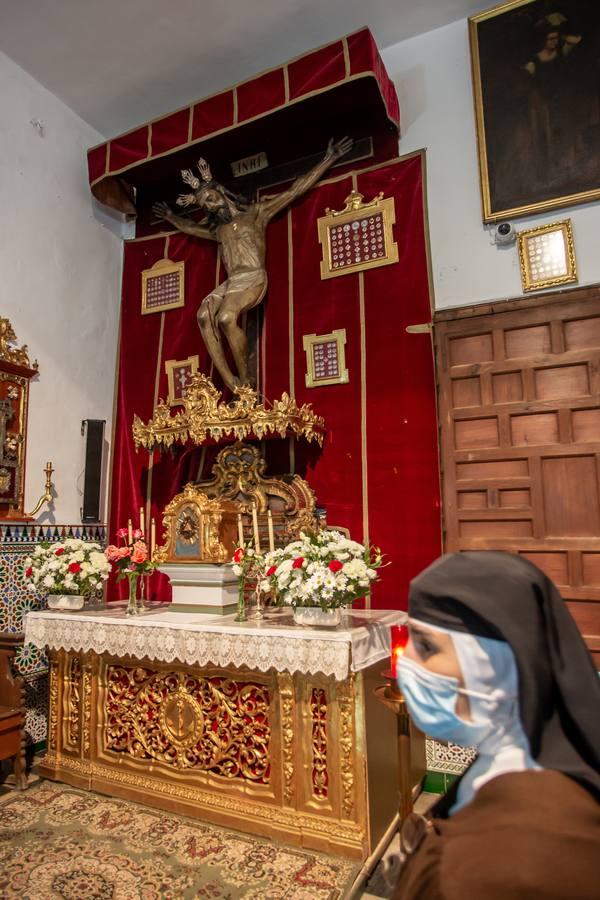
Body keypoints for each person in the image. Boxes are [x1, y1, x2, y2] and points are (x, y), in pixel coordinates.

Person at [393, 551, 600, 900]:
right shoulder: (516, 757)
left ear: (497, 669)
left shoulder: (486, 871)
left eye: (426, 645)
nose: (405, 663)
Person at [152, 137, 352, 391]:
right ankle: (230, 381)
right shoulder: (218, 230)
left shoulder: (256, 214)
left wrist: (329, 158)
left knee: (225, 317)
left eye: (211, 198)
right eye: (205, 206)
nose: (210, 207)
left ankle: (246, 381)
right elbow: (190, 227)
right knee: (203, 316)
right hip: (232, 282)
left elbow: (295, 190)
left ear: (222, 192)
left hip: (253, 277)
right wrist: (171, 217)